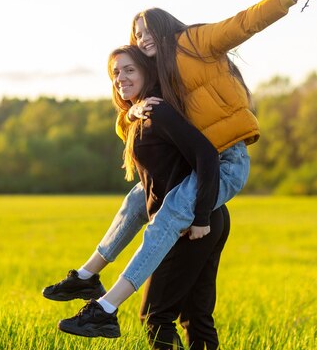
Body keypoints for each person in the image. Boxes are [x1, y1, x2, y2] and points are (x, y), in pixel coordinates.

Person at [44, 0, 317, 337]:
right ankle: (86, 276)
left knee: (170, 215)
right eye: (137, 34)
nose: (142, 38)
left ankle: (105, 309)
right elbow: (139, 117)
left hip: (228, 161)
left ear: (164, 28)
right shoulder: (159, 75)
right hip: (199, 164)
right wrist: (130, 113)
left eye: (147, 31)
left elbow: (242, 24)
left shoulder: (195, 42)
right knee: (135, 202)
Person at [58, 46, 227, 350]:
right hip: (204, 216)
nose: (120, 78)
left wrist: (200, 216)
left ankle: (101, 307)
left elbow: (206, 155)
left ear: (148, 71)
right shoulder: (143, 113)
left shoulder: (158, 111)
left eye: (129, 70)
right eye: (115, 73)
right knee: (195, 315)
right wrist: (132, 111)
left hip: (193, 223)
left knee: (155, 314)